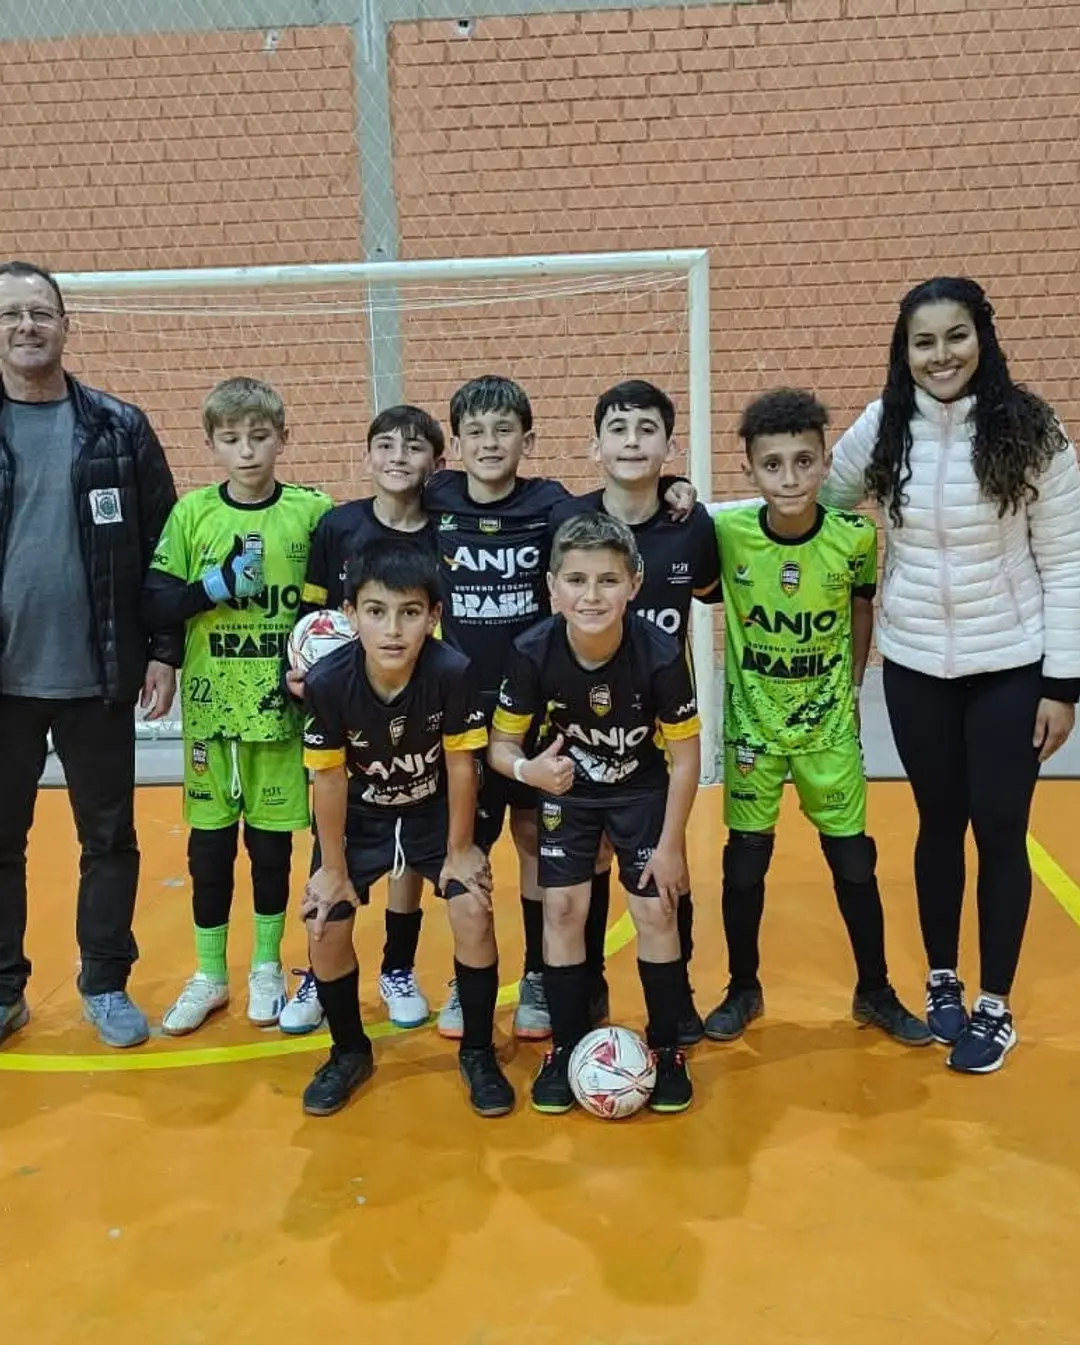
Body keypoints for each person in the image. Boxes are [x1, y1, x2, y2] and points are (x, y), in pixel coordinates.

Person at [820, 276, 1080, 1073]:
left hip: (1011, 665)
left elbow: (1067, 559)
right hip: (914, 664)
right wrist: (697, 509)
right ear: (904, 352)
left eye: (956, 336)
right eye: (924, 341)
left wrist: (1063, 684)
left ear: (983, 338)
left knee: (1000, 830)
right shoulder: (882, 426)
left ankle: (994, 1005)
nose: (942, 355)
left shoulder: (1032, 429)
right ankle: (942, 979)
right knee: (937, 824)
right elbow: (811, 500)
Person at [427, 375, 693, 1043]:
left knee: (540, 849)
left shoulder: (551, 503)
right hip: (467, 714)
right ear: (455, 445)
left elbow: (611, 514)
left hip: (542, 713)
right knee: (463, 848)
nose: (491, 444)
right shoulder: (436, 499)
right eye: (475, 433)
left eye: (504, 430)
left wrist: (671, 486)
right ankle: (466, 976)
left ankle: (544, 978)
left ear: (529, 439)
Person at [704, 389, 930, 1049]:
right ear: (749, 469)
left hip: (828, 728)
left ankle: (875, 990)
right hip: (753, 729)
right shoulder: (729, 533)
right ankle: (742, 987)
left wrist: (853, 686)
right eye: (772, 465)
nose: (790, 478)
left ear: (825, 462)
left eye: (804, 461)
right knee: (744, 866)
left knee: (854, 861)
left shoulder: (854, 537)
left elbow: (861, 608)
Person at [0, 259, 181, 1050]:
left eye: (40, 312)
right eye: (11, 314)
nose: (26, 326)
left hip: (98, 676)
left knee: (107, 839)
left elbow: (165, 549)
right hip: (4, 682)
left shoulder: (119, 427)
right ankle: (4, 990)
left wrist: (163, 650)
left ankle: (105, 982)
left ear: (66, 326)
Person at [489, 512, 701, 1115]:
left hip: (641, 790)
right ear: (552, 588)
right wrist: (528, 772)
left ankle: (667, 1049)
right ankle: (567, 1048)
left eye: (608, 580)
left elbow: (687, 759)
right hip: (568, 792)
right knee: (562, 909)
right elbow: (501, 747)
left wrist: (672, 846)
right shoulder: (532, 652)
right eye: (576, 581)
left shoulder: (660, 653)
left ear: (634, 584)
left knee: (656, 908)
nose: (591, 595)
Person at [143, 377, 331, 1034]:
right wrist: (215, 585)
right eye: (231, 439)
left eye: (259, 436)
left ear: (283, 438)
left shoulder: (313, 511)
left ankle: (266, 966)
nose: (246, 451)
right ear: (212, 444)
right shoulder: (192, 514)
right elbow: (155, 602)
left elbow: (342, 592)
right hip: (211, 709)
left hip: (282, 712)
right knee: (210, 848)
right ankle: (209, 973)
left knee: (272, 846)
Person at [300, 540, 512, 1118]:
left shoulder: (452, 672)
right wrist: (333, 869)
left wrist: (461, 850)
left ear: (434, 616)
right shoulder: (327, 681)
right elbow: (329, 779)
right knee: (324, 923)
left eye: (410, 612)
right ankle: (348, 1051)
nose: (393, 629)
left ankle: (477, 1051)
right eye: (376, 611)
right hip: (362, 817)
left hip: (432, 811)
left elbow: (461, 764)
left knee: (472, 909)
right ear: (350, 614)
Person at [549, 379, 720, 1043]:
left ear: (669, 446)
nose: (631, 442)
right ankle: (585, 990)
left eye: (647, 430)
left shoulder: (689, 526)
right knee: (583, 872)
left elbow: (712, 592)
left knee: (665, 874)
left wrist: (679, 489)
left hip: (657, 740)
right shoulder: (569, 521)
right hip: (581, 738)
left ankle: (677, 1003)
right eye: (617, 430)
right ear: (594, 446)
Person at [278, 404, 443, 1036]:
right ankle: (319, 973)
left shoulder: (444, 528)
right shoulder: (338, 525)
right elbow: (313, 614)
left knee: (408, 842)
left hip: (417, 703)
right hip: (346, 703)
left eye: (414, 446)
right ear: (367, 454)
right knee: (334, 829)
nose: (399, 456)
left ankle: (397, 967)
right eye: (386, 445)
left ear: (436, 462)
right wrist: (297, 672)